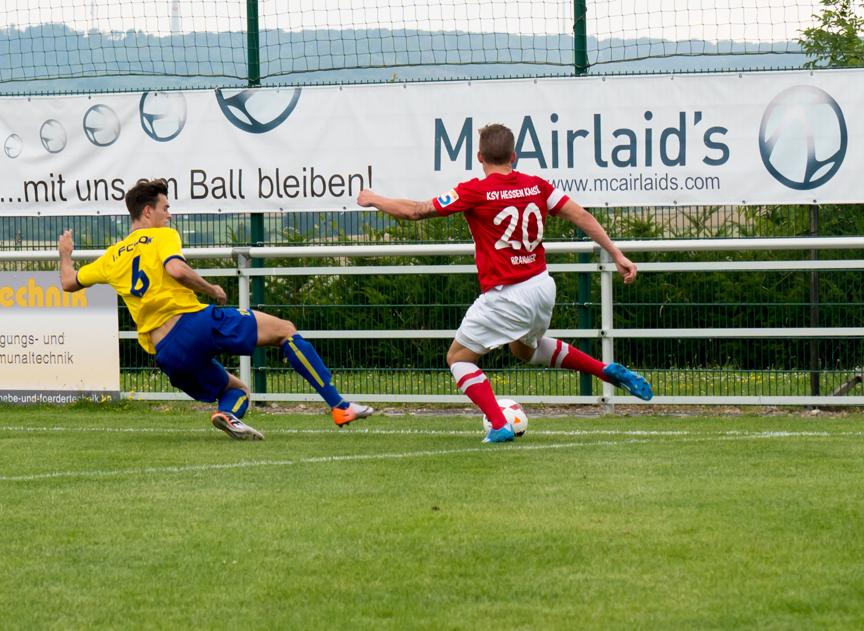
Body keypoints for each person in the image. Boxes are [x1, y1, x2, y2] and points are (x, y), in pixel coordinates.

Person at [357, 123, 652, 443]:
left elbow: (416, 211)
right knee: (525, 350)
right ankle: (604, 370)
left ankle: (499, 425)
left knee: (458, 359)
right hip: (541, 286)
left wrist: (373, 198)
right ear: (514, 155)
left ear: (480, 156)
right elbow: (581, 215)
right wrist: (616, 255)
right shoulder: (536, 185)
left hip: (507, 294)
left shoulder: (474, 190)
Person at [58, 178, 373, 440]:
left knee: (237, 389)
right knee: (285, 331)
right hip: (193, 325)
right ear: (147, 211)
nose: (170, 215)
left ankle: (228, 416)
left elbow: (69, 282)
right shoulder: (161, 236)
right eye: (166, 208)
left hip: (166, 355)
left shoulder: (112, 257)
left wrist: (66, 253)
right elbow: (177, 270)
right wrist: (212, 289)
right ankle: (340, 405)